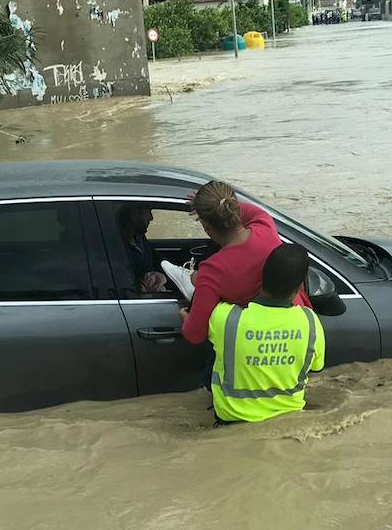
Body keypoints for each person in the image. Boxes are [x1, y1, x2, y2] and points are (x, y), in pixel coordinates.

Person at [178, 180, 309, 346]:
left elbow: (195, 335)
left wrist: (184, 316)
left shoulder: (212, 271)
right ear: (234, 208)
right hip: (295, 329)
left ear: (206, 227)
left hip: (254, 341)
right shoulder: (264, 223)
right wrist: (213, 203)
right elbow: (240, 209)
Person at [208, 244, 325, 424]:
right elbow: (316, 368)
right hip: (290, 422)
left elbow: (195, 328)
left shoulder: (225, 318)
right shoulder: (310, 322)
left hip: (233, 424)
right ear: (300, 286)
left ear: (260, 276)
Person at [118, 206, 167, 294]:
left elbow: (159, 260)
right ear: (134, 215)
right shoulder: (118, 249)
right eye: (148, 212)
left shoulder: (140, 238)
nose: (151, 218)